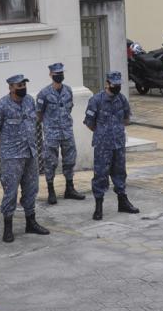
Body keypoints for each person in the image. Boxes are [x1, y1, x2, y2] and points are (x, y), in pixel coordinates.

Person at [0, 74, 50, 242]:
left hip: (30, 152)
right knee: (10, 192)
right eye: (18, 85)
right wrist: (6, 146)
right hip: (11, 156)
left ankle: (31, 222)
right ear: (10, 87)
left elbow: (34, 121)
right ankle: (8, 229)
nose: (22, 87)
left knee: (31, 189)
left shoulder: (30, 101)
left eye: (24, 84)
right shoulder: (1, 105)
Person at [84, 70, 139, 219]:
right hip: (103, 145)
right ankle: (98, 207)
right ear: (107, 84)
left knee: (120, 173)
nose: (117, 87)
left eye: (119, 84)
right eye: (114, 84)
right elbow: (89, 123)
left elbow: (127, 119)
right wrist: (103, 132)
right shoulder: (96, 100)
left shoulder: (121, 99)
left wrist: (116, 130)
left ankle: (123, 202)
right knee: (100, 175)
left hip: (118, 143)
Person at [37, 63, 85, 205]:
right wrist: (49, 124)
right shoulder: (43, 93)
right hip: (51, 132)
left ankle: (69, 188)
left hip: (67, 131)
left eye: (61, 73)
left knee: (70, 160)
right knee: (50, 161)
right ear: (51, 75)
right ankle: (51, 191)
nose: (59, 75)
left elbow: (68, 108)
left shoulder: (68, 90)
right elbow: (39, 114)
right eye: (56, 73)